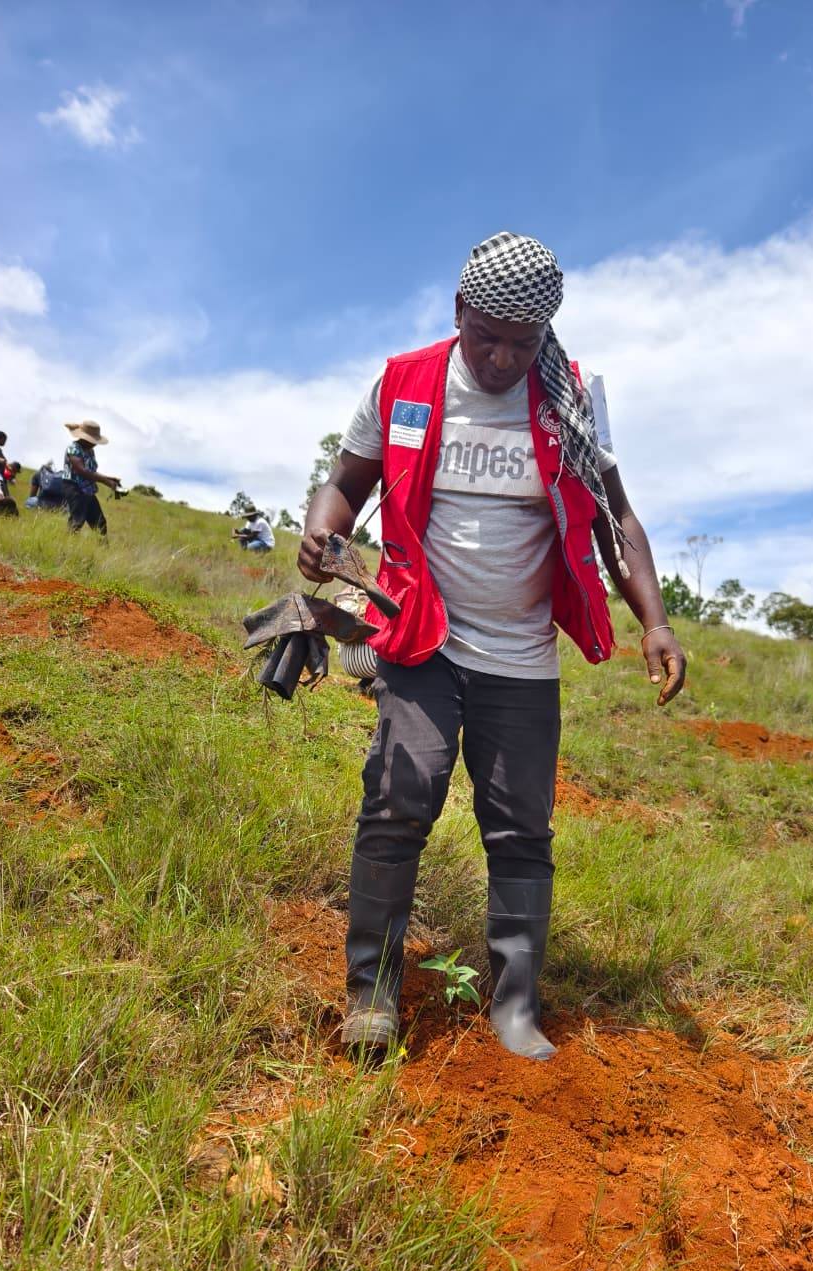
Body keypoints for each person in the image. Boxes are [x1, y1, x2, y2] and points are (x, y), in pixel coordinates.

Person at [299, 231, 686, 1061]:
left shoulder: (572, 396)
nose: (506, 358)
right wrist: (322, 534)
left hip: (521, 655)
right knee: (399, 802)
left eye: (525, 341)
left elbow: (618, 519)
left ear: (547, 332)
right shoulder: (403, 383)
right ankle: (371, 994)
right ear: (458, 313)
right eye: (488, 339)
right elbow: (345, 484)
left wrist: (653, 621)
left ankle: (514, 1008)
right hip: (423, 636)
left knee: (520, 828)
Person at [62, 420, 121, 535]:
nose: (95, 443)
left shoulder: (90, 451)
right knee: (77, 520)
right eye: (93, 440)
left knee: (100, 522)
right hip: (74, 488)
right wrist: (105, 481)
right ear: (84, 438)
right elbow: (81, 471)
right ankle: (67, 546)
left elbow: (91, 471)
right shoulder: (73, 448)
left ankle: (103, 549)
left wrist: (110, 478)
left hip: (88, 489)